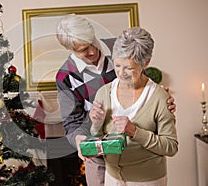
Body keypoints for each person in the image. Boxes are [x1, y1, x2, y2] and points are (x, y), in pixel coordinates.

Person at [55, 14, 176, 186]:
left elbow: (143, 81)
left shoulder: (118, 47)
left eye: (92, 43)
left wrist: (162, 101)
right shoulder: (65, 76)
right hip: (98, 155)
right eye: (83, 49)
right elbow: (71, 122)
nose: (91, 51)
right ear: (69, 49)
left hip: (136, 150)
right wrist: (79, 139)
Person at [89, 27, 178, 186]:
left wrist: (135, 132)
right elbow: (97, 136)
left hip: (148, 180)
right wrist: (96, 124)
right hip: (112, 178)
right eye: (117, 65)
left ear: (146, 63)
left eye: (128, 68)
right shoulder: (104, 93)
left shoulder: (159, 97)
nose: (121, 73)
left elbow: (170, 147)